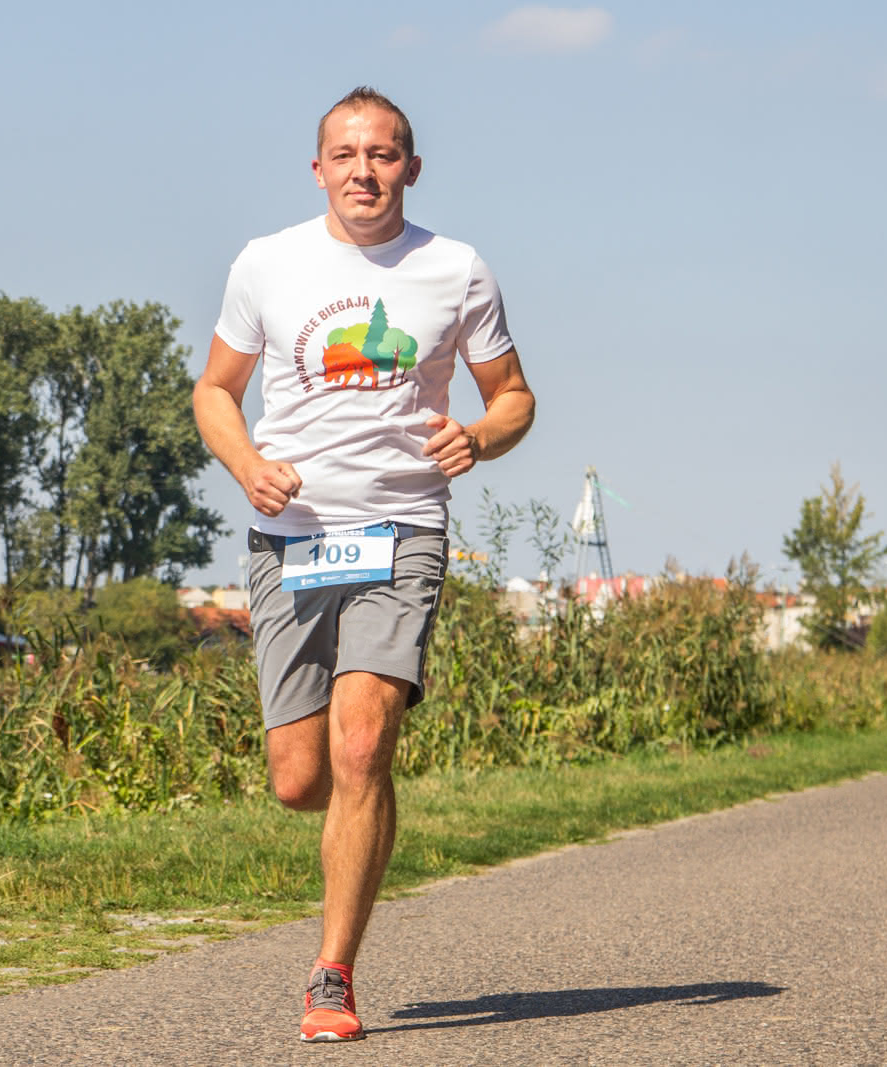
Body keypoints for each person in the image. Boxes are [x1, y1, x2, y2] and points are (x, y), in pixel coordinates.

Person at [191, 86, 535, 1043]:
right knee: (301, 777)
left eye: (383, 154)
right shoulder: (267, 263)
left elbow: (513, 397)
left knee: (361, 744)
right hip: (291, 534)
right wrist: (247, 461)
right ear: (318, 169)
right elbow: (216, 390)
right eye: (345, 154)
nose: (364, 170)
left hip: (401, 529)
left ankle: (333, 972)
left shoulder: (456, 270)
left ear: (411, 169)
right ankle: (363, 811)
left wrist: (479, 436)